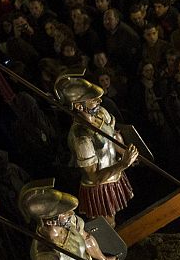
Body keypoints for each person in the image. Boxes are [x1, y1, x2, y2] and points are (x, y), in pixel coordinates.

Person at [54, 73, 138, 227]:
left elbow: (113, 137)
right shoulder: (81, 137)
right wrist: (123, 164)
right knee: (107, 223)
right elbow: (93, 176)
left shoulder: (101, 113)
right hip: (99, 185)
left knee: (117, 216)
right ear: (79, 106)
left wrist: (125, 152)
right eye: (93, 99)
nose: (99, 100)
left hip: (113, 174)